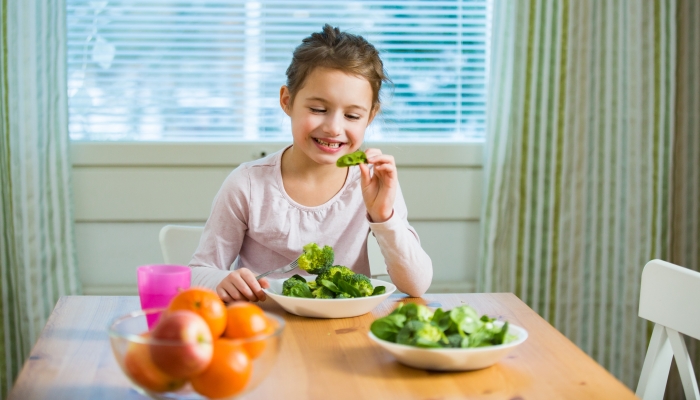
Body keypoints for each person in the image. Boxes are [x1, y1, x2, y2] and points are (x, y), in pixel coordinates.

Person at [189, 24, 432, 302]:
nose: (333, 128)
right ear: (287, 101)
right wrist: (221, 279)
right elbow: (198, 272)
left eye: (352, 116)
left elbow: (417, 285)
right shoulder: (247, 184)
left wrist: (384, 216)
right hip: (265, 326)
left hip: (345, 331)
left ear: (371, 116)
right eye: (318, 110)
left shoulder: (372, 184)